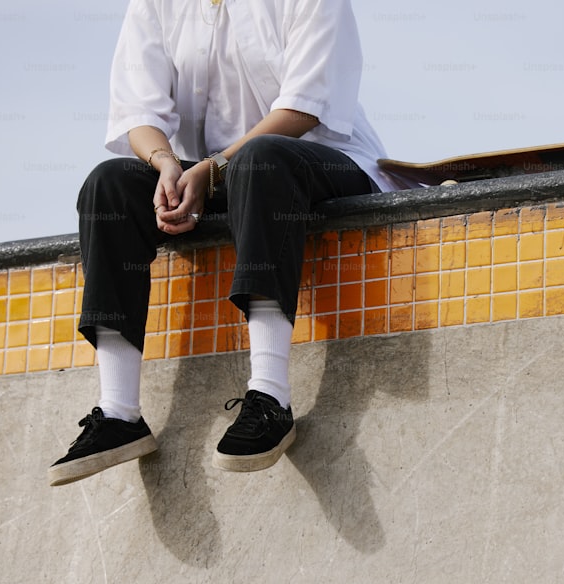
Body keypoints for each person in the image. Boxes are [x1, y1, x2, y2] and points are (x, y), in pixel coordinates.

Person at [47, 0, 414, 486]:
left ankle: (270, 397)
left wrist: (214, 167)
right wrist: (166, 165)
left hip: (326, 164)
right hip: (215, 178)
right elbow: (136, 112)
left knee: (260, 159)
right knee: (108, 184)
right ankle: (118, 413)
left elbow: (304, 106)